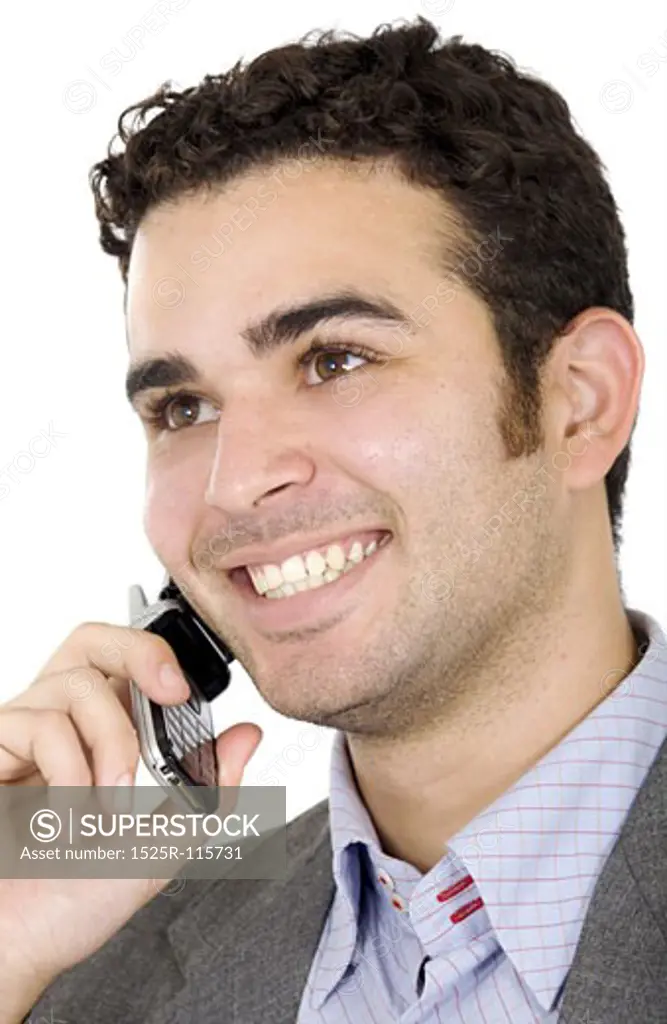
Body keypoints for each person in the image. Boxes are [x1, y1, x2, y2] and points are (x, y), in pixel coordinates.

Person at [3, 14, 666, 1024]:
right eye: (181, 407)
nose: (233, 484)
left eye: (334, 358)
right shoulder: (89, 960)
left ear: (579, 398)